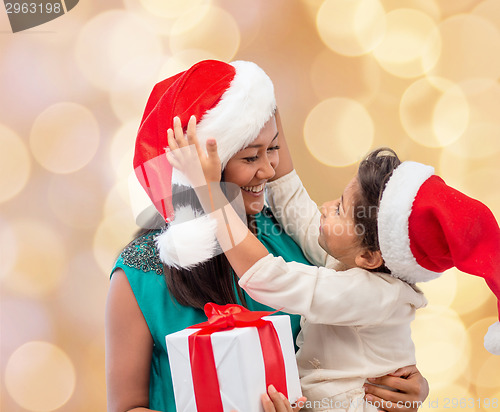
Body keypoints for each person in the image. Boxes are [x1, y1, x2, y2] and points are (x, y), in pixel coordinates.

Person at [105, 59, 430, 412]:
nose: (269, 168)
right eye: (249, 157)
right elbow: (126, 406)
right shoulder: (140, 273)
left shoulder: (292, 239)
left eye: (273, 148)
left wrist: (403, 383)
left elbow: (362, 339)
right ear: (202, 171)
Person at [166, 112, 500, 411]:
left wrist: (209, 192)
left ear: (369, 256)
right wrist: (265, 101)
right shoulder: (356, 264)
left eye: (339, 208)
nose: (325, 206)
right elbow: (291, 197)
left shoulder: (371, 294)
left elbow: (270, 277)